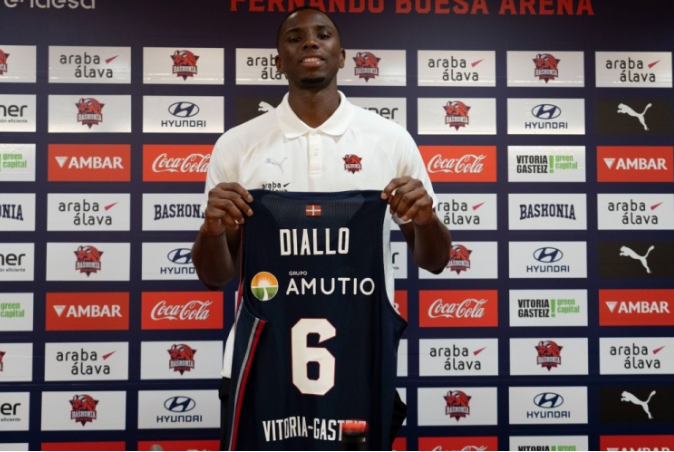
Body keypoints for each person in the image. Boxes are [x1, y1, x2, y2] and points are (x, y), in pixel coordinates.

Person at [192, 6, 451, 450]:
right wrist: (212, 230)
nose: (310, 43)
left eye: (322, 34)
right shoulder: (237, 145)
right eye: (295, 38)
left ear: (342, 55)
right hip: (261, 359)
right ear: (278, 60)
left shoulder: (389, 140)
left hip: (360, 359)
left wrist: (425, 220)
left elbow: (436, 260)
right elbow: (215, 276)